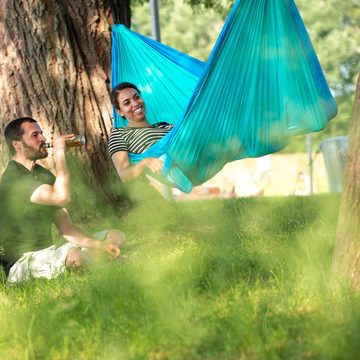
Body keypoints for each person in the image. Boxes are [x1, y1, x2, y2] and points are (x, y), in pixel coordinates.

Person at [0, 117, 124, 283]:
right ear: (17, 144)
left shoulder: (42, 174)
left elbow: (66, 228)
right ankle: (102, 265)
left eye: (41, 134)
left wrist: (100, 245)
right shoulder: (14, 178)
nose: (43, 139)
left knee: (115, 235)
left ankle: (93, 258)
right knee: (75, 256)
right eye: (35, 135)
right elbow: (62, 196)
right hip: (22, 263)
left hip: (49, 252)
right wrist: (59, 153)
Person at [108, 82, 174, 183]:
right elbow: (124, 175)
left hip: (191, 160)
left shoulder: (164, 125)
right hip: (168, 173)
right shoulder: (119, 135)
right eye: (127, 103)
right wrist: (145, 162)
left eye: (137, 97)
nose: (135, 103)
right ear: (120, 112)